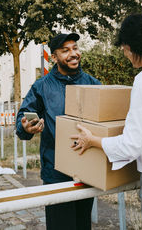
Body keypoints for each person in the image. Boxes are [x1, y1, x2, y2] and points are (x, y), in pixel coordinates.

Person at [71, 14, 142, 230]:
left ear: (131, 47)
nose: (125, 54)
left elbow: (131, 145)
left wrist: (93, 140)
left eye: (124, 48)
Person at [16, 32, 101, 230]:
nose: (73, 54)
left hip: (87, 168)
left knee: (82, 225)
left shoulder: (93, 84)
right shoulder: (41, 87)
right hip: (55, 172)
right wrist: (26, 127)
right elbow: (22, 124)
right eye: (65, 51)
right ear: (54, 57)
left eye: (75, 48)